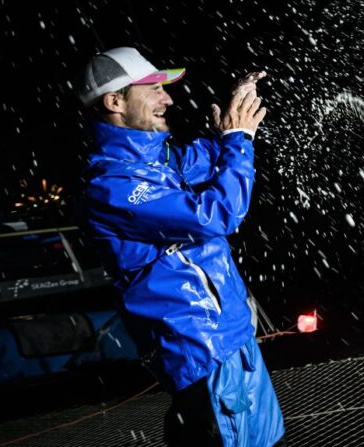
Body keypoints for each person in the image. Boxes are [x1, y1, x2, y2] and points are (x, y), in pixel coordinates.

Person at [75, 47, 285, 446]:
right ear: (114, 101)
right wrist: (238, 140)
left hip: (232, 342)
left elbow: (216, 152)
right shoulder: (113, 186)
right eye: (153, 89)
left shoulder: (160, 161)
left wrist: (232, 120)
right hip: (202, 353)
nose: (167, 98)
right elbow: (218, 214)